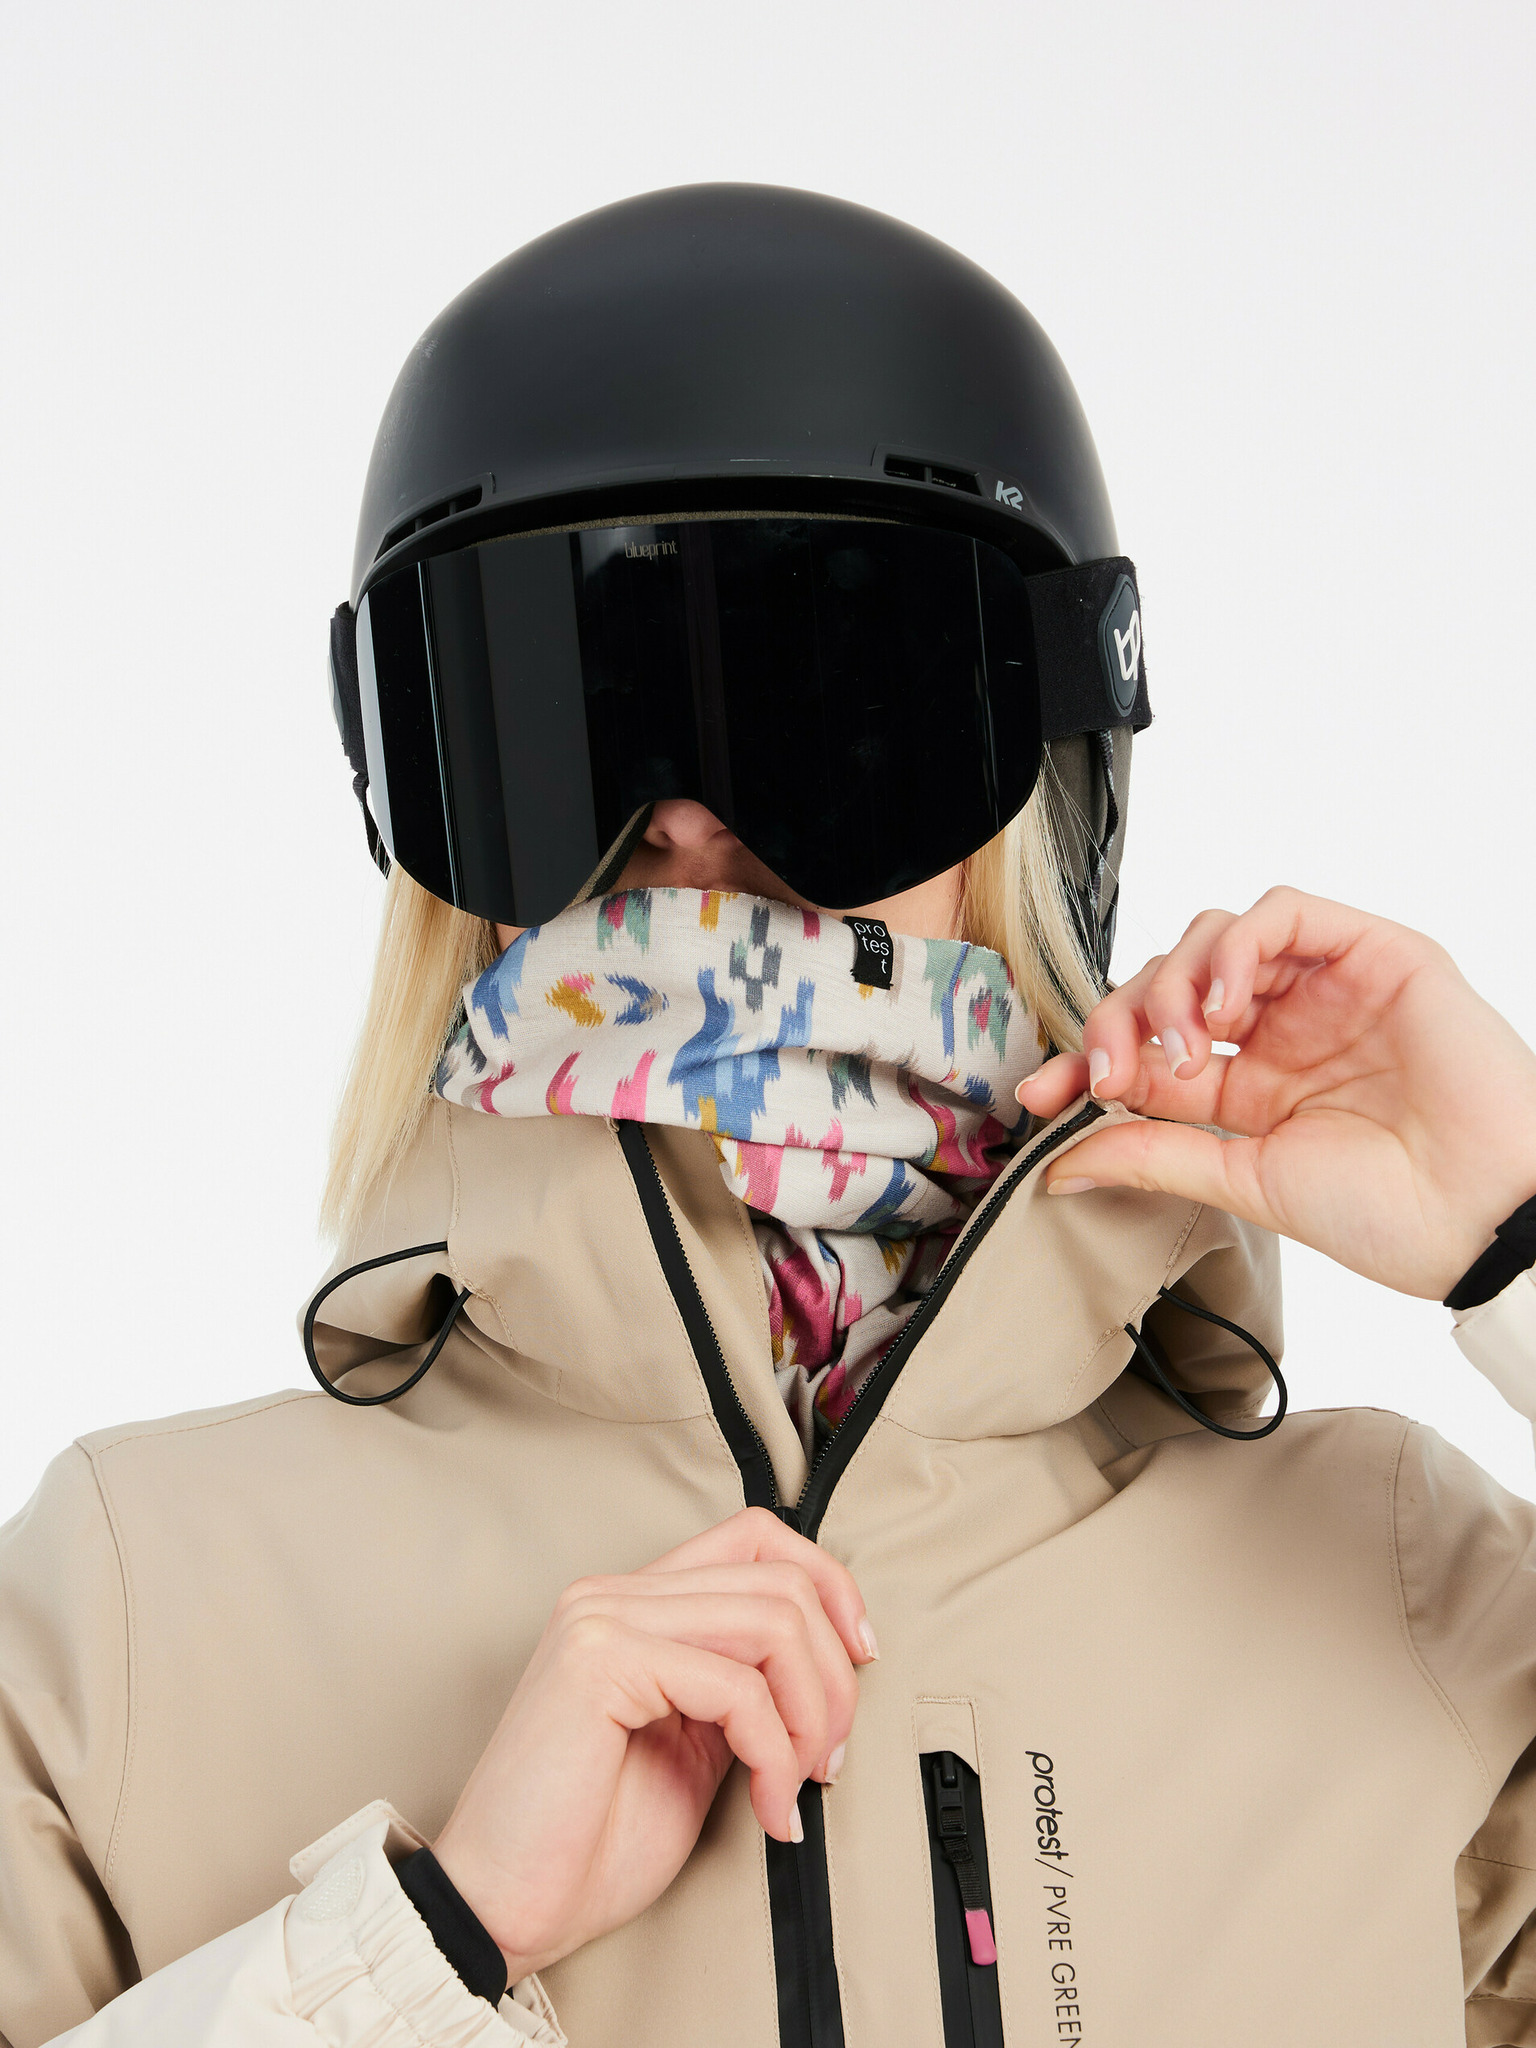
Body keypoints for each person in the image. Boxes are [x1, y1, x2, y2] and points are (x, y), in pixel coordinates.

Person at [3, 182, 1535, 2048]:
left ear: (1037, 772)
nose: (686, 825)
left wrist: (1524, 1236)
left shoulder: (1405, 1593)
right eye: (574, 713)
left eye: (819, 691)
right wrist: (435, 1943)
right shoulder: (131, 1609)